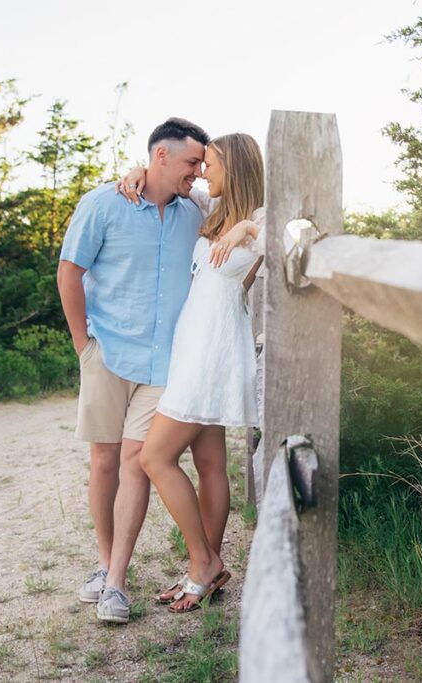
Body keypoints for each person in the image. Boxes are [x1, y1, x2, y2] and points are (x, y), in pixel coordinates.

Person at [57, 117, 215, 624]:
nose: (199, 171)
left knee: (136, 461)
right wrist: (84, 345)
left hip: (166, 362)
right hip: (108, 352)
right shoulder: (103, 203)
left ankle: (117, 584)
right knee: (103, 463)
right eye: (192, 161)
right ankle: (105, 566)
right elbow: (70, 272)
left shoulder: (197, 211)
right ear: (161, 156)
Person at [116, 133, 265, 613]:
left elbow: (292, 229)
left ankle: (204, 563)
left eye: (212, 164)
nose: (203, 172)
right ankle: (206, 570)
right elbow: (168, 183)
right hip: (196, 349)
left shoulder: (258, 216)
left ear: (235, 169)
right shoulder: (209, 207)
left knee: (154, 458)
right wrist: (138, 172)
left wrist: (245, 228)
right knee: (210, 464)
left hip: (210, 354)